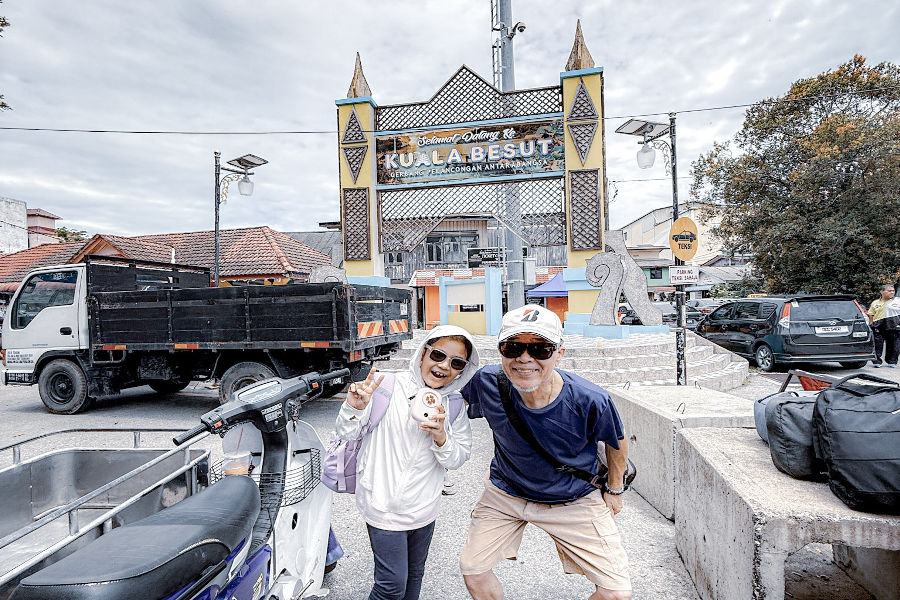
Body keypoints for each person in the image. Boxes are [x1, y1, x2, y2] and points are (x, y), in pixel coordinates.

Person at [459, 305, 632, 600]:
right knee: (473, 570)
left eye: (540, 349)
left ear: (559, 353)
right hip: (506, 493)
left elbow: (616, 442)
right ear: (500, 351)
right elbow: (442, 391)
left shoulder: (590, 399)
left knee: (616, 593)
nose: (525, 358)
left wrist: (615, 490)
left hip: (573, 498)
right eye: (513, 347)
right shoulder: (486, 382)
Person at [334, 325, 478, 600]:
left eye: (456, 362)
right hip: (382, 505)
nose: (444, 366)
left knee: (413, 578)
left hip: (424, 509)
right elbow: (347, 433)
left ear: (462, 370)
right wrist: (354, 407)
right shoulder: (387, 386)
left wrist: (441, 437)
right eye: (438, 355)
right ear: (423, 353)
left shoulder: (454, 405)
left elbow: (459, 457)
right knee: (390, 587)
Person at [868, 284, 898, 367]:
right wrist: (871, 323)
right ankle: (877, 362)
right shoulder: (875, 303)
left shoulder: (897, 301)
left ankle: (892, 361)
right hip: (878, 326)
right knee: (877, 345)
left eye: (893, 291)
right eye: (889, 291)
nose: (892, 292)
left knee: (894, 345)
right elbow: (871, 314)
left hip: (894, 326)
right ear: (882, 291)